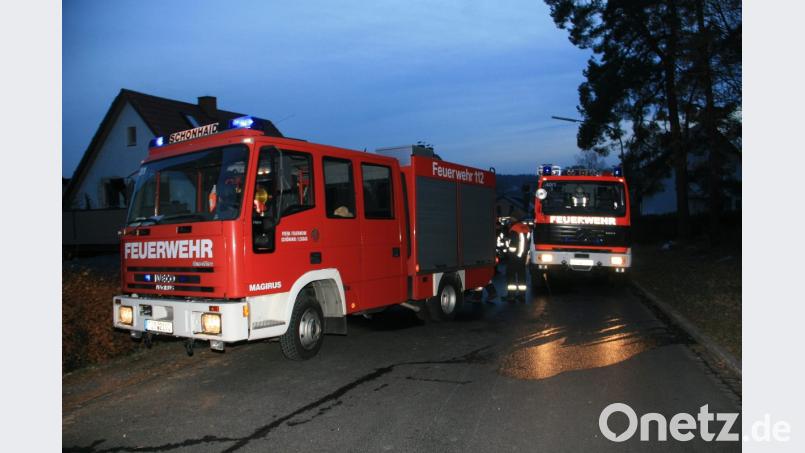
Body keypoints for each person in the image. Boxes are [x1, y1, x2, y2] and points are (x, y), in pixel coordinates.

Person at [505, 219, 531, 301]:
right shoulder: (526, 228)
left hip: (514, 257)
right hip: (523, 256)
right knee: (522, 276)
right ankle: (522, 296)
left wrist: (507, 248)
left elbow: (513, 246)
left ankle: (511, 296)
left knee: (511, 275)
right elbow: (528, 242)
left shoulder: (514, 229)